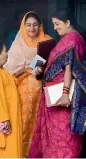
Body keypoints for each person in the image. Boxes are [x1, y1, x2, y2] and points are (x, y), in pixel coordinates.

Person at [29, 8, 86, 158]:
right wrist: (41, 71)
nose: (55, 28)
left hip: (61, 99)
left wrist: (65, 93)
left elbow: (69, 68)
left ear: (67, 22)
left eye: (57, 24)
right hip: (53, 96)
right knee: (54, 140)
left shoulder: (73, 39)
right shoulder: (66, 38)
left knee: (64, 139)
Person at [4, 11, 53, 157]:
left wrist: (42, 71)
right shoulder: (18, 44)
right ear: (23, 26)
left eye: (35, 25)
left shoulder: (47, 41)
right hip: (23, 93)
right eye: (28, 25)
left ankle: (39, 152)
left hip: (43, 91)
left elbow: (55, 65)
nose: (32, 28)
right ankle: (22, 152)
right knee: (24, 123)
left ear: (40, 26)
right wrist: (25, 70)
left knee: (41, 123)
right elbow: (10, 71)